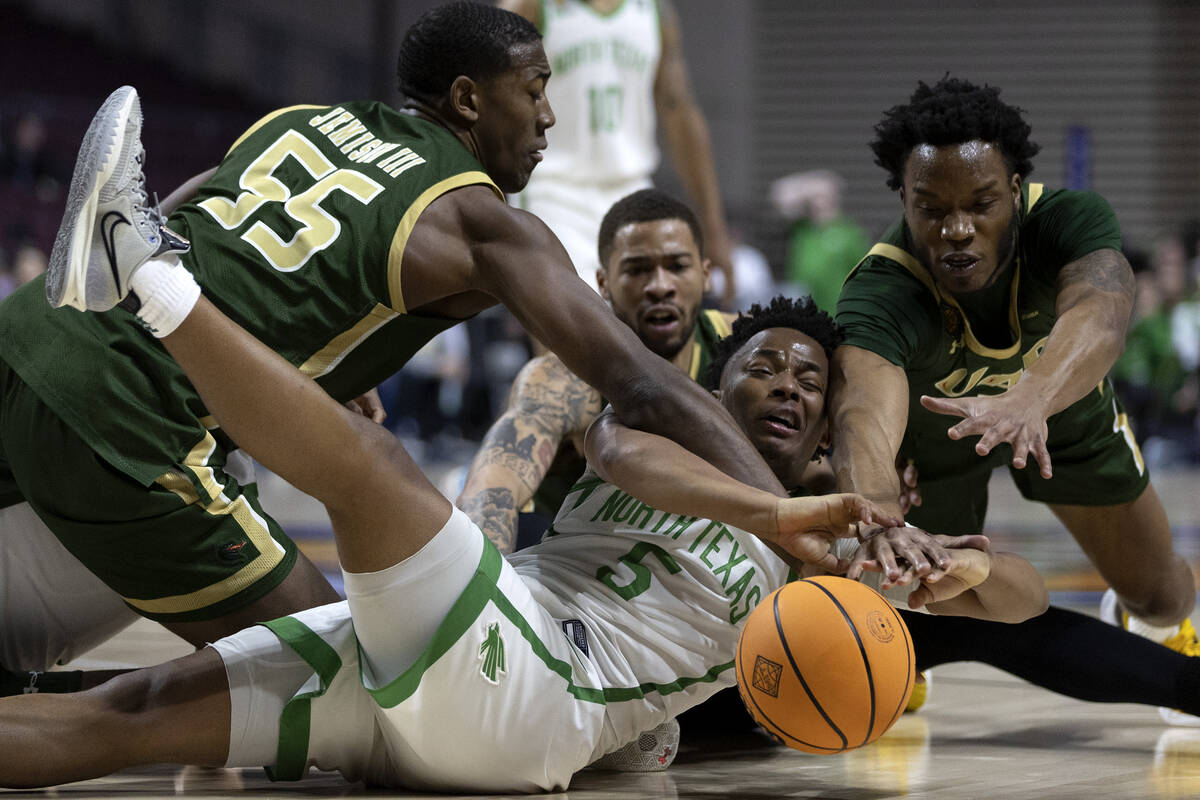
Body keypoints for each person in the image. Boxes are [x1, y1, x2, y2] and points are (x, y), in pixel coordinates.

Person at [0, 261, 1050, 789]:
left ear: (826, 418)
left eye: (808, 378)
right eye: (760, 365)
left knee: (370, 468)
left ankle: (150, 277)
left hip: (533, 697)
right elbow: (633, 457)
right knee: (124, 715)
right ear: (710, 385)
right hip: (462, 656)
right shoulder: (656, 429)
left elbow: (1026, 599)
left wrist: (959, 571)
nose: (784, 382)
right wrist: (770, 509)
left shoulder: (841, 543)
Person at [0, 2, 786, 680]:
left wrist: (321, 363)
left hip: (31, 331)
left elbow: (185, 215)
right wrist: (792, 526)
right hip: (129, 411)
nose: (550, 114)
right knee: (353, 684)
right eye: (537, 91)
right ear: (470, 100)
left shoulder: (302, 120)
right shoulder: (482, 222)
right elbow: (642, 383)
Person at [829, 77, 1198, 663]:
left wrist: (1031, 400)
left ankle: (1146, 612)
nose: (956, 229)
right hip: (938, 450)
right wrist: (878, 515)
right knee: (917, 591)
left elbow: (1103, 313)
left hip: (1068, 420)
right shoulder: (880, 292)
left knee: (1163, 598)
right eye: (931, 208)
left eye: (981, 204)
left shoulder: (1066, 220)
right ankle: (899, 654)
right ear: (903, 199)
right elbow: (861, 413)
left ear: (1015, 190)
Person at [457, 187, 734, 553]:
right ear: (603, 283)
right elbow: (490, 494)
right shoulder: (566, 376)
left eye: (677, 266)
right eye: (637, 270)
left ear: (706, 274)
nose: (660, 286)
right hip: (582, 567)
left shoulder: (742, 347)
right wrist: (490, 589)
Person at [497, 0, 736, 304]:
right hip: (552, 192)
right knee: (570, 338)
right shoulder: (530, 5)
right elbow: (489, 97)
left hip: (630, 190)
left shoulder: (654, 10)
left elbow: (679, 112)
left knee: (653, 332)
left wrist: (714, 230)